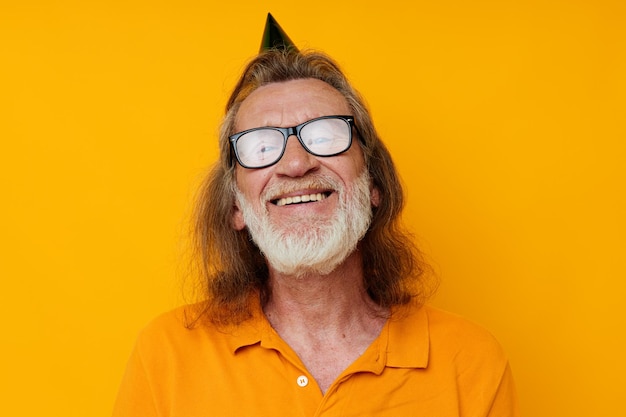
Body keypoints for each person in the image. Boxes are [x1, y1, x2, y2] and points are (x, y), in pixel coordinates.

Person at [113, 14, 519, 417]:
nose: (295, 164)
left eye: (324, 135)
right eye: (260, 146)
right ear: (236, 204)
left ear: (374, 184)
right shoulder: (166, 356)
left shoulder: (469, 362)